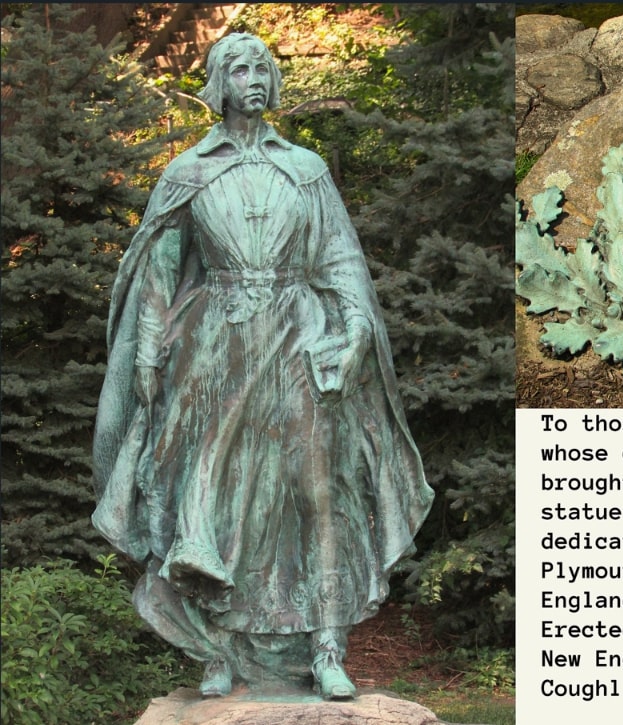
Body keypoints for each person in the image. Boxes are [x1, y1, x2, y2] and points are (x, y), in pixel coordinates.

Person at [92, 33, 434, 700]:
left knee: (320, 491)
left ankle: (328, 644)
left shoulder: (305, 169)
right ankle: (220, 650)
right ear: (219, 85)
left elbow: (339, 261)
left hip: (300, 342)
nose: (254, 78)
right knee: (213, 501)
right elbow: (160, 272)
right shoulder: (187, 172)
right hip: (212, 352)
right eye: (239, 68)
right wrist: (144, 356)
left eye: (263, 69)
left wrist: (356, 332)